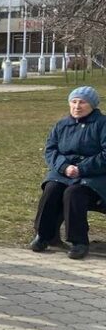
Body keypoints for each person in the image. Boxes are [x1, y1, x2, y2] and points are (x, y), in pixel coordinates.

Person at [32, 86, 106, 260]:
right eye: (74, 102)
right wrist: (64, 167)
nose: (77, 106)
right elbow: (51, 150)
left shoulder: (102, 124)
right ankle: (43, 235)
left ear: (93, 105)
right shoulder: (62, 125)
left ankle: (79, 242)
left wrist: (82, 168)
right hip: (64, 173)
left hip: (94, 176)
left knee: (74, 193)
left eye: (82, 102)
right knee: (51, 189)